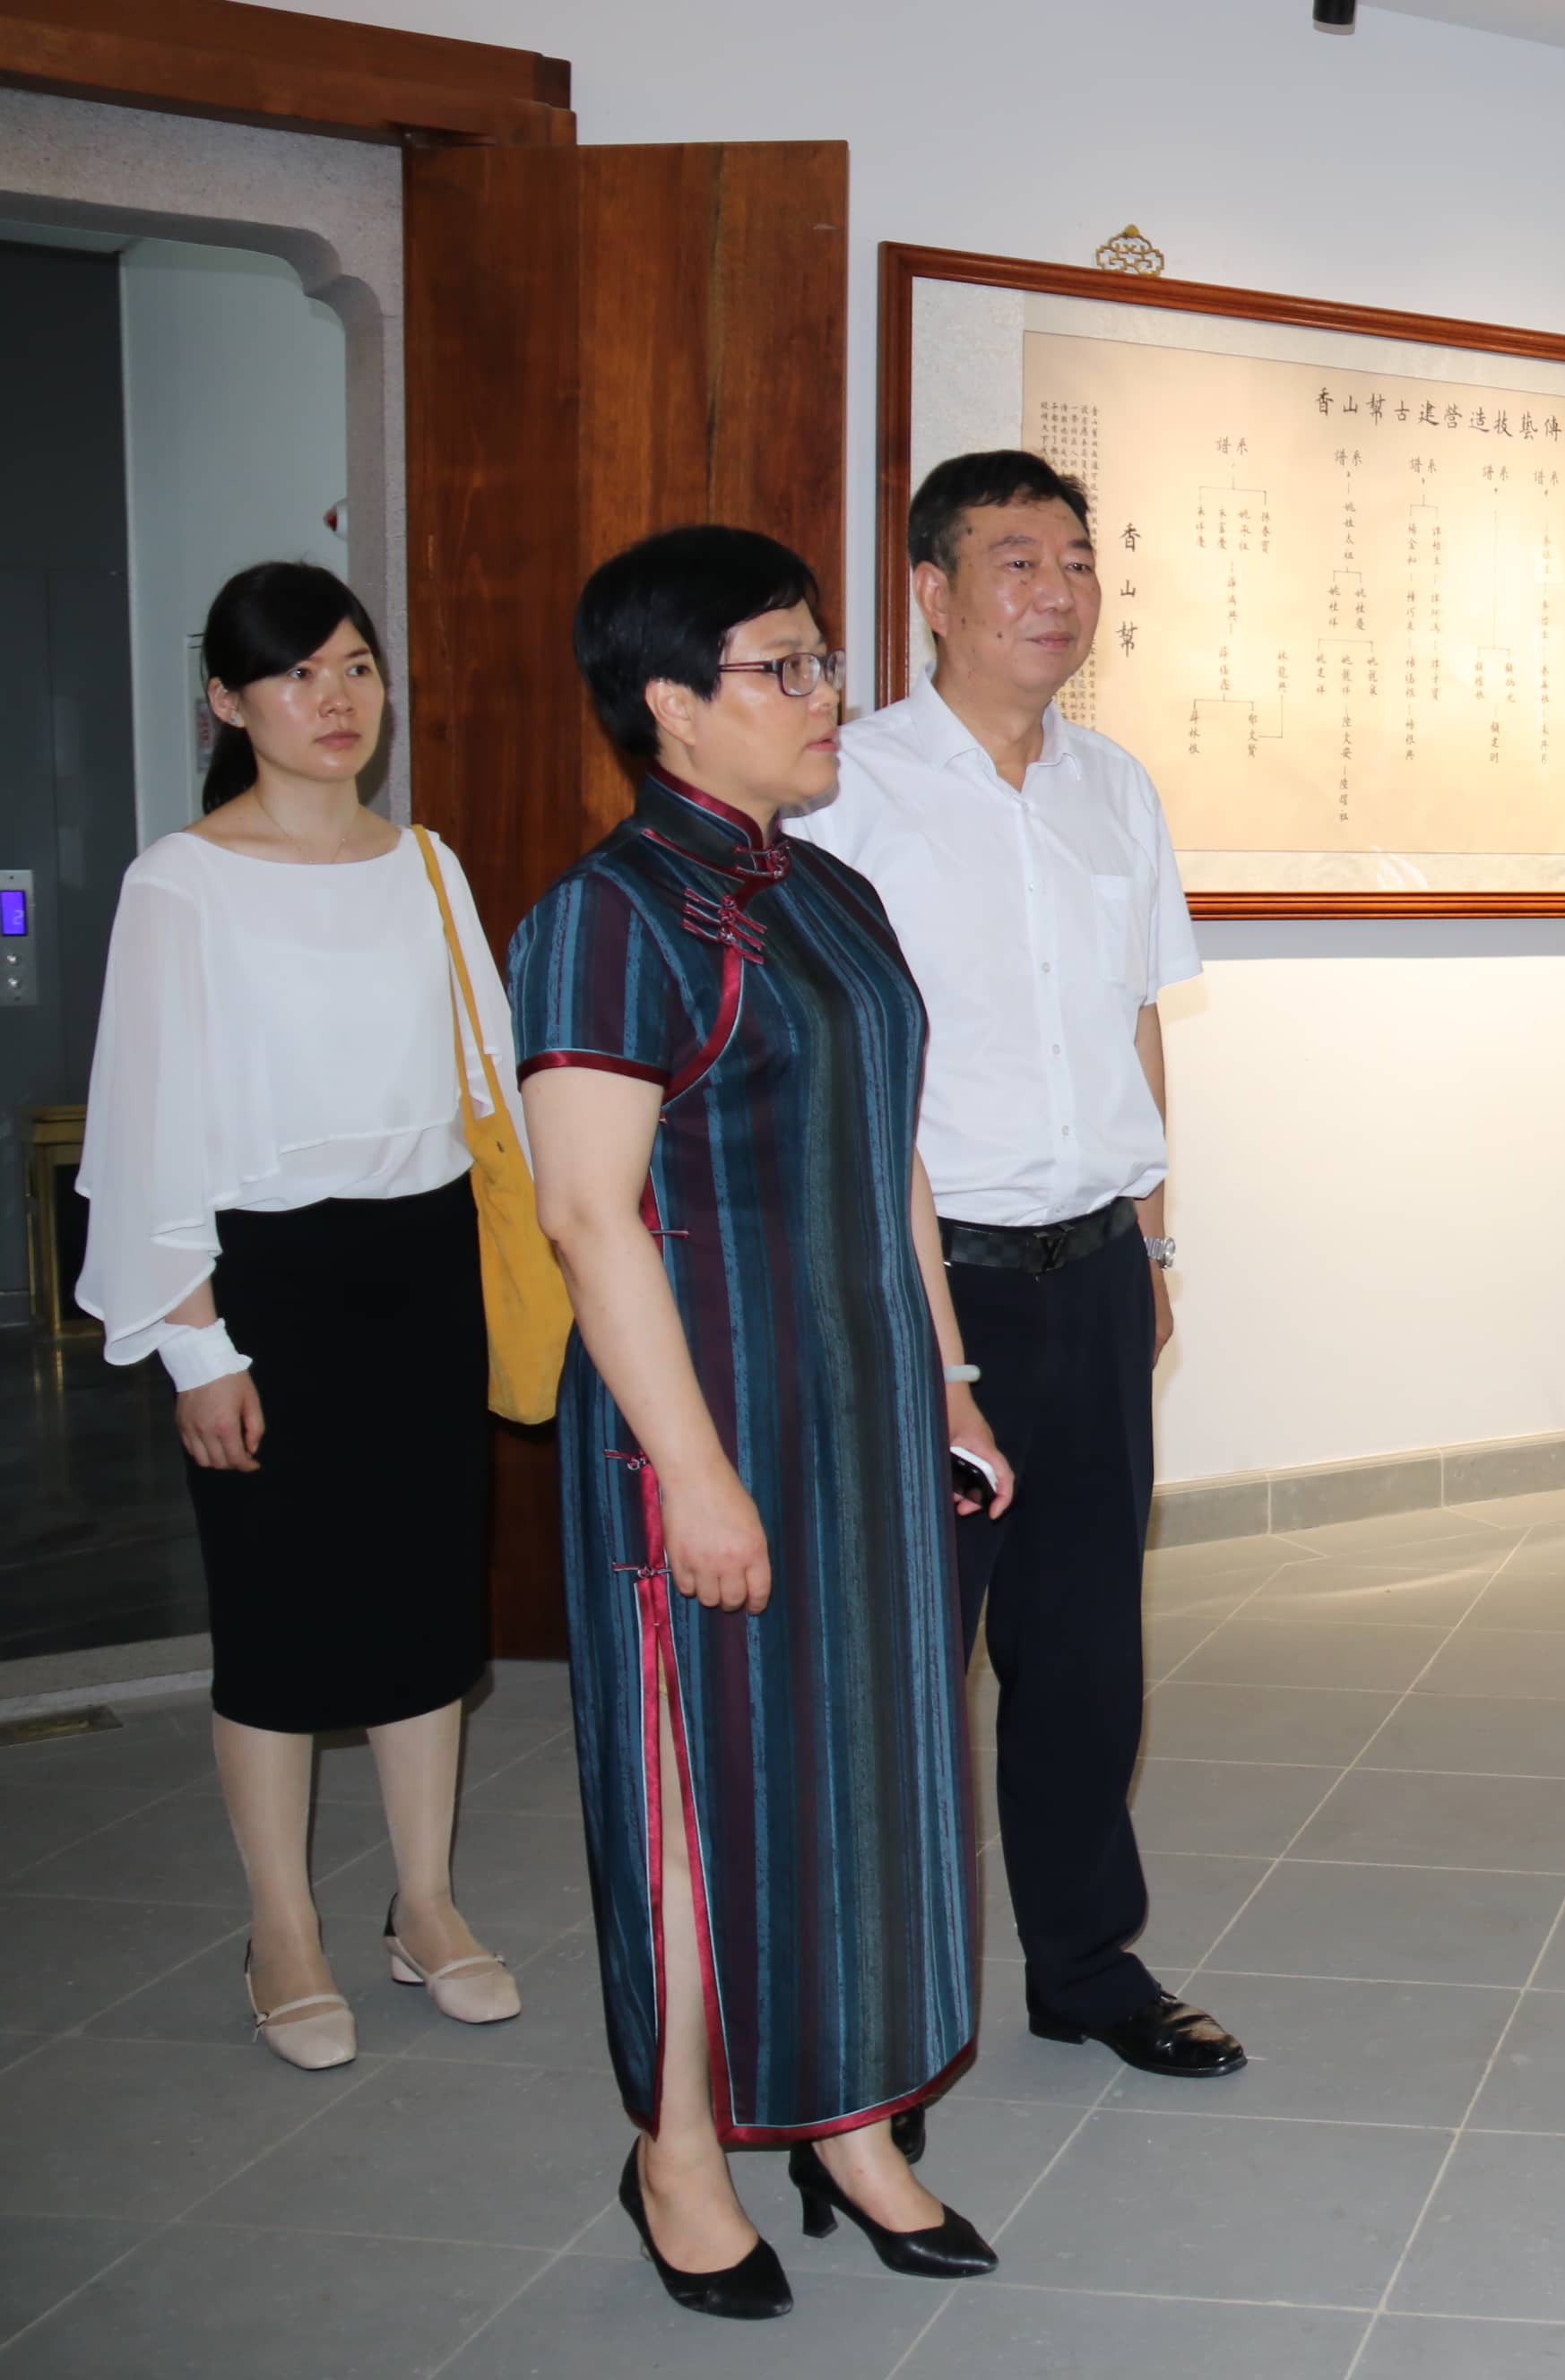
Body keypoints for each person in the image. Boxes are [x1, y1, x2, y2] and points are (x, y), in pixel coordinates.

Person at [515, 526, 1014, 2319]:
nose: (825, 697)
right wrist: (695, 1475)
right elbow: (590, 1217)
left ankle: (850, 2123)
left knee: (865, 1775)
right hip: (703, 1420)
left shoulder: (830, 893)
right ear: (669, 704)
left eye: (823, 660)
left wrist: (946, 1380)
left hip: (860, 1417)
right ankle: (674, 2151)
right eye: (782, 666)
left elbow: (894, 1164)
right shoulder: (609, 916)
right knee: (694, 1800)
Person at [785, 451, 1239, 2086]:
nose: (1058, 592)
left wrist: (1158, 1238)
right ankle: (880, 2006)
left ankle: (1086, 1966)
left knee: (1086, 1648)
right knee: (910, 1655)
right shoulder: (847, 787)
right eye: (1017, 561)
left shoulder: (1116, 786)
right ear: (931, 591)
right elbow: (841, 1070)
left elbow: (1137, 1024)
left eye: (1078, 561)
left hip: (1095, 1272)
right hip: (926, 1284)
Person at [74, 561, 521, 2074]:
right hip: (262, 1282)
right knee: (275, 1615)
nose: (335, 701)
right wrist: (197, 1344)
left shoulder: (428, 867)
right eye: (295, 674)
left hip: (424, 1267)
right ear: (226, 701)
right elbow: (147, 1129)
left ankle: (425, 1903)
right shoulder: (181, 883)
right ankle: (282, 1929)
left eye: (356, 667)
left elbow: (487, 1090)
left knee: (424, 1602)